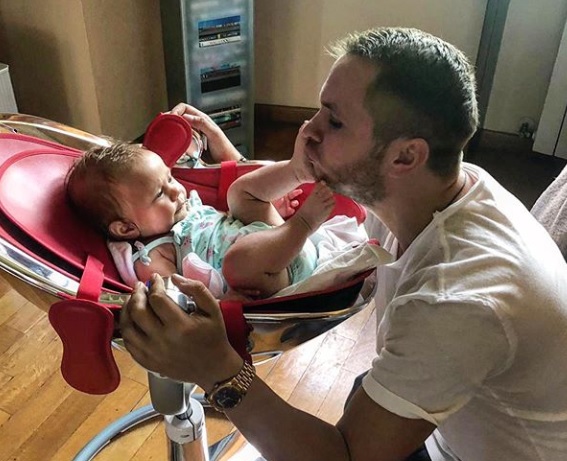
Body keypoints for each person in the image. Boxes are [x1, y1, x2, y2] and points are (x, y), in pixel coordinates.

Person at [120, 27, 567, 461]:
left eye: (334, 121)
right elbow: (255, 204)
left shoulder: (458, 299)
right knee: (361, 393)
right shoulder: (435, 187)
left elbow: (346, 456)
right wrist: (251, 162)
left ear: (405, 155)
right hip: (449, 424)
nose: (308, 131)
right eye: (319, 110)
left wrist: (219, 369)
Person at [66, 140, 335, 299]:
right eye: (160, 194)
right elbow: (176, 296)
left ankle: (297, 170)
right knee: (237, 261)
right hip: (274, 277)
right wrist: (222, 305)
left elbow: (228, 224)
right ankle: (303, 224)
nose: (176, 190)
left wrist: (265, 210)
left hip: (278, 242)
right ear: (126, 228)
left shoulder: (185, 209)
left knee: (237, 193)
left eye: (170, 178)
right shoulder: (152, 256)